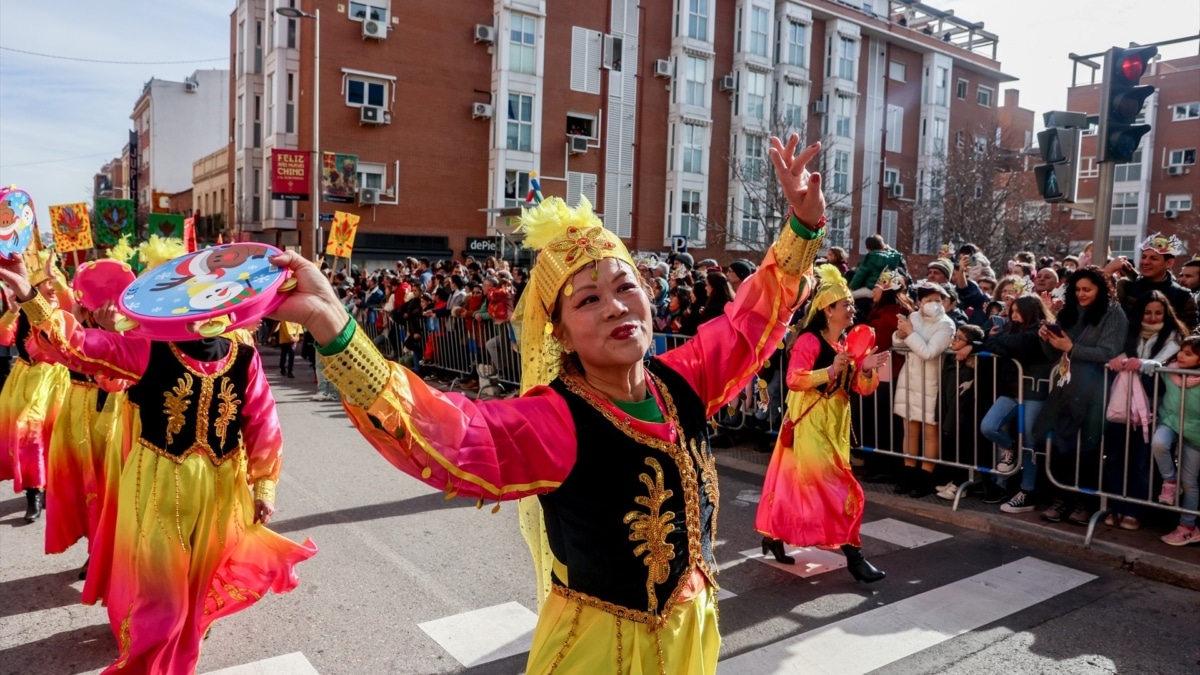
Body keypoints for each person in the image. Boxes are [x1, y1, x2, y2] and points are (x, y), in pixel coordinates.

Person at [264, 134, 828, 674]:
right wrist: (335, 328)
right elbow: (447, 429)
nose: (614, 307)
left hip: (692, 632)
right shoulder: (555, 419)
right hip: (600, 651)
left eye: (625, 286)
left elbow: (751, 320)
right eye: (588, 300)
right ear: (558, 333)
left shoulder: (682, 381)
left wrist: (801, 225)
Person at [0, 247, 318, 674]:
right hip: (157, 487)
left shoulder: (244, 357)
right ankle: (152, 659)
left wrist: (263, 485)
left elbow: (262, 421)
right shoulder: (148, 351)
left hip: (222, 491)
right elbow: (77, 346)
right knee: (160, 589)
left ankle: (184, 636)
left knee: (202, 576)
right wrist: (27, 295)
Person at [755, 265, 889, 581]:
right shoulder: (809, 342)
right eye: (846, 305)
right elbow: (793, 379)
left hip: (835, 427)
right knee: (837, 491)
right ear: (828, 310)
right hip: (810, 426)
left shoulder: (844, 345)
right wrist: (830, 371)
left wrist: (866, 369)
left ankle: (773, 537)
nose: (852, 308)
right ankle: (855, 557)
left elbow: (861, 388)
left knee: (801, 489)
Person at [1035, 266, 1127, 525]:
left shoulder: (1114, 314)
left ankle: (1086, 504)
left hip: (1097, 391)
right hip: (1066, 387)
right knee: (1062, 447)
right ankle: (1062, 499)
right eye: (1077, 289)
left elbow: (1109, 352)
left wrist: (1072, 347)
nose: (1082, 294)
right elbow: (1053, 354)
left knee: (1088, 449)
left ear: (1101, 289)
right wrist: (1046, 338)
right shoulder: (1069, 311)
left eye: (1087, 289)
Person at [1102, 290, 1188, 530]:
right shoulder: (1127, 333)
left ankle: (1134, 510)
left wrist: (1147, 365)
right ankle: (1117, 505)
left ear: (1166, 313)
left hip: (1153, 409)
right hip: (1121, 407)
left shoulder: (1175, 337)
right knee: (1116, 458)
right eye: (1147, 312)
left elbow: (1165, 363)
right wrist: (1118, 360)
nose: (1152, 317)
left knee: (1141, 462)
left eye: (1158, 313)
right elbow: (1114, 354)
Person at [0, 249, 71, 521]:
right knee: (28, 434)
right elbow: (5, 338)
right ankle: (34, 493)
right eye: (46, 283)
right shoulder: (23, 309)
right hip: (28, 380)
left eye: (55, 282)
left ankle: (54, 488)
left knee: (57, 438)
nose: (52, 288)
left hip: (58, 381)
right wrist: (12, 312)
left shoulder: (65, 309)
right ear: (36, 287)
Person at [976, 295, 1058, 513]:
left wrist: (994, 340)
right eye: (1012, 311)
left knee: (1031, 442)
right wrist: (994, 340)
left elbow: (1012, 345)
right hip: (1012, 389)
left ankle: (1027, 491)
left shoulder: (1038, 331)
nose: (1013, 316)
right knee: (989, 426)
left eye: (1018, 312)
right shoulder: (1011, 329)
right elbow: (998, 344)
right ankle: (1010, 448)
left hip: (1034, 392)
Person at [892, 280, 956, 497]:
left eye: (938, 300)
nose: (934, 304)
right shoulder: (913, 318)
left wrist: (909, 334)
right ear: (919, 302)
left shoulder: (946, 325)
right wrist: (899, 336)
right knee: (910, 431)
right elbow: (901, 349)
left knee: (930, 433)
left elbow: (929, 352)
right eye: (929, 300)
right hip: (910, 380)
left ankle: (925, 478)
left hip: (932, 383)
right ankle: (907, 474)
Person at [1151, 336, 1200, 546]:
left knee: (1190, 482)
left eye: (1189, 354)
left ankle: (1188, 527)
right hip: (1170, 421)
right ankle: (1170, 481)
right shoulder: (1168, 372)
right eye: (1181, 351)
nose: (1181, 355)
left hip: (1196, 432)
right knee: (1159, 443)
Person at [1110, 233, 1198, 330]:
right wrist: (1108, 271)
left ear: (1169, 263)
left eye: (1153, 258)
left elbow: (1187, 336)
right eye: (1143, 257)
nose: (1146, 262)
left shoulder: (1183, 296)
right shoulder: (1126, 287)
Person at [849, 234, 903, 298]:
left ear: (868, 248)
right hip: (889, 290)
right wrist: (891, 249)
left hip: (872, 289)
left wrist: (852, 287)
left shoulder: (870, 257)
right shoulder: (895, 257)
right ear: (883, 246)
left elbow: (860, 276)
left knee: (849, 296)